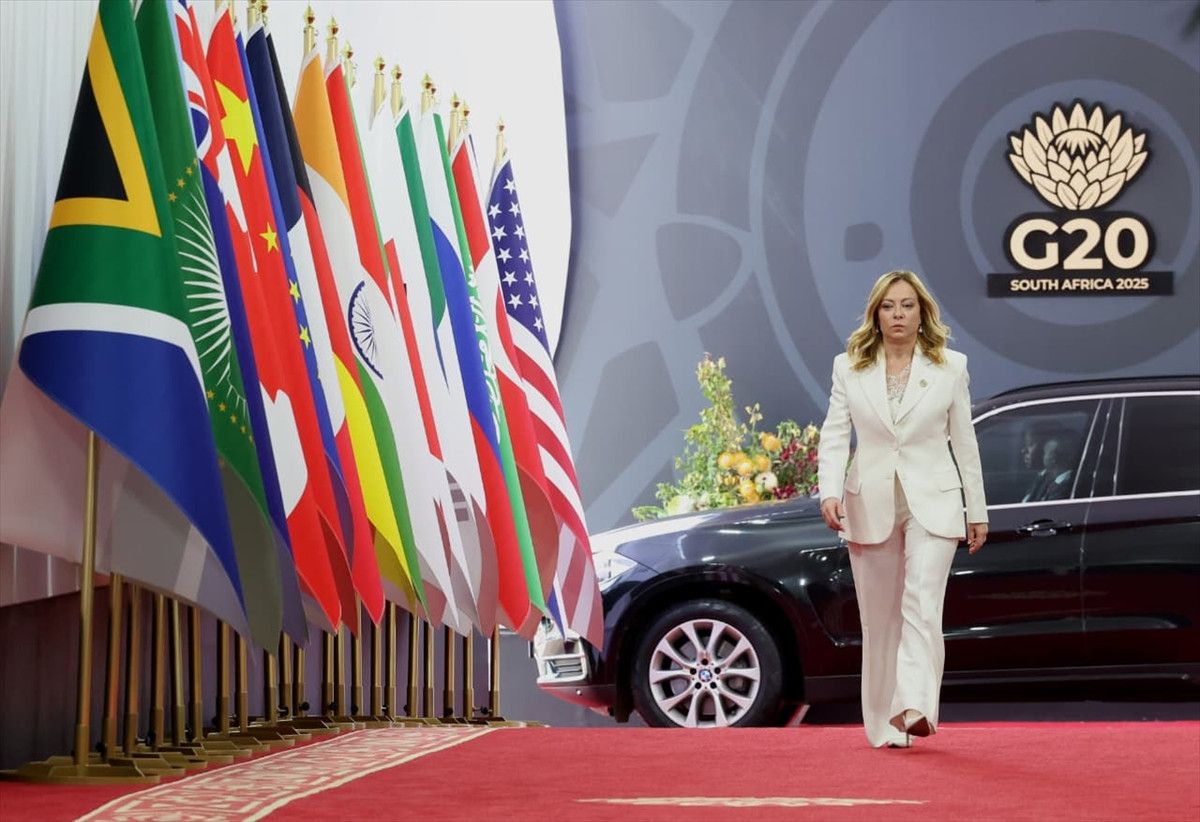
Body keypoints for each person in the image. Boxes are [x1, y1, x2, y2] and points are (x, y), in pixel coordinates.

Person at [817, 269, 988, 749]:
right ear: (876, 314)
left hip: (934, 500)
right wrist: (829, 490)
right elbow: (835, 434)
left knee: (922, 604)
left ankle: (914, 706)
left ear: (922, 313)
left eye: (907, 305)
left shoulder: (950, 367)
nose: (898, 314)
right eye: (889, 306)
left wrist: (976, 509)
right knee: (879, 620)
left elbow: (965, 443)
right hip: (868, 500)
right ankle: (884, 725)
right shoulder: (848, 367)